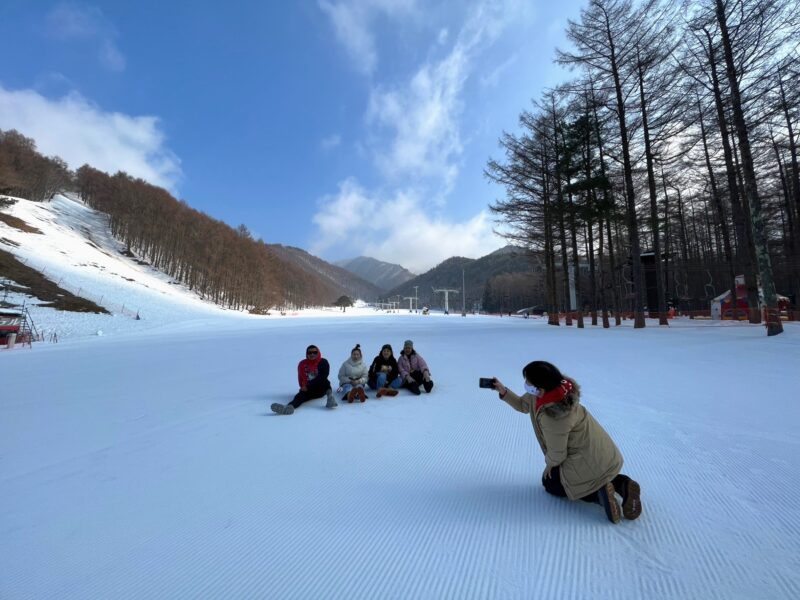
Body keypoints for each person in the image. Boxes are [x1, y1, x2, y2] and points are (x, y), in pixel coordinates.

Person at [491, 360, 642, 524]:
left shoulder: (554, 416)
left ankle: (598, 495)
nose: (526, 384)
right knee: (584, 475)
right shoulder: (555, 391)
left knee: (550, 484)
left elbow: (557, 454)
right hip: (604, 455)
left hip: (585, 459)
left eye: (528, 381)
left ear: (539, 388)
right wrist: (503, 391)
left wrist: (549, 464)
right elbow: (523, 405)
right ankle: (623, 484)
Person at [271, 344, 336, 415]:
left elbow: (323, 376)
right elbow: (300, 376)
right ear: (306, 354)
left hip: (321, 389)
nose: (312, 354)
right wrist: (302, 387)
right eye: (309, 352)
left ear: (318, 353)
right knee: (299, 396)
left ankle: (330, 398)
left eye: (315, 352)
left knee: (325, 381)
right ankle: (289, 407)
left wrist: (307, 386)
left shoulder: (323, 362)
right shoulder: (302, 364)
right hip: (309, 390)